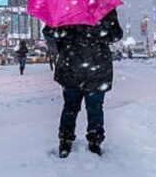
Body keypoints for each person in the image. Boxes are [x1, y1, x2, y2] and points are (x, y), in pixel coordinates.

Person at [43, 9, 123, 159]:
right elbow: (116, 35)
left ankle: (65, 140)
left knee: (70, 106)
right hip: (97, 66)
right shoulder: (103, 7)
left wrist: (62, 46)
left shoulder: (63, 8)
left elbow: (50, 34)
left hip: (70, 65)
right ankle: (95, 140)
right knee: (95, 107)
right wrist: (101, 32)